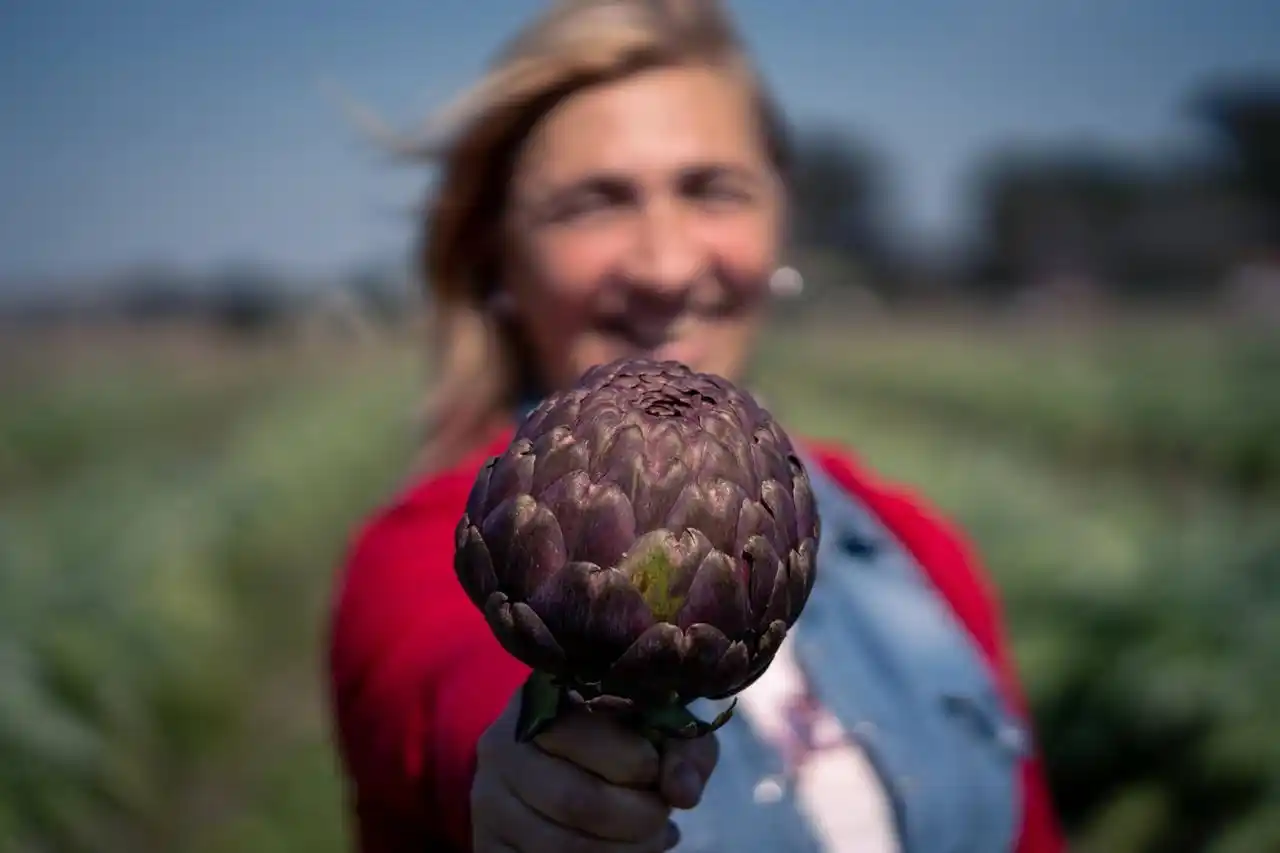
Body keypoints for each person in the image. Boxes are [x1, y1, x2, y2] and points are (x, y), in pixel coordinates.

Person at [326, 1, 1064, 851]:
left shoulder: (913, 544)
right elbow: (455, 704)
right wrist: (538, 788)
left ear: (779, 218)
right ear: (497, 257)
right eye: (592, 203)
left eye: (713, 189)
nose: (667, 265)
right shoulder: (416, 558)